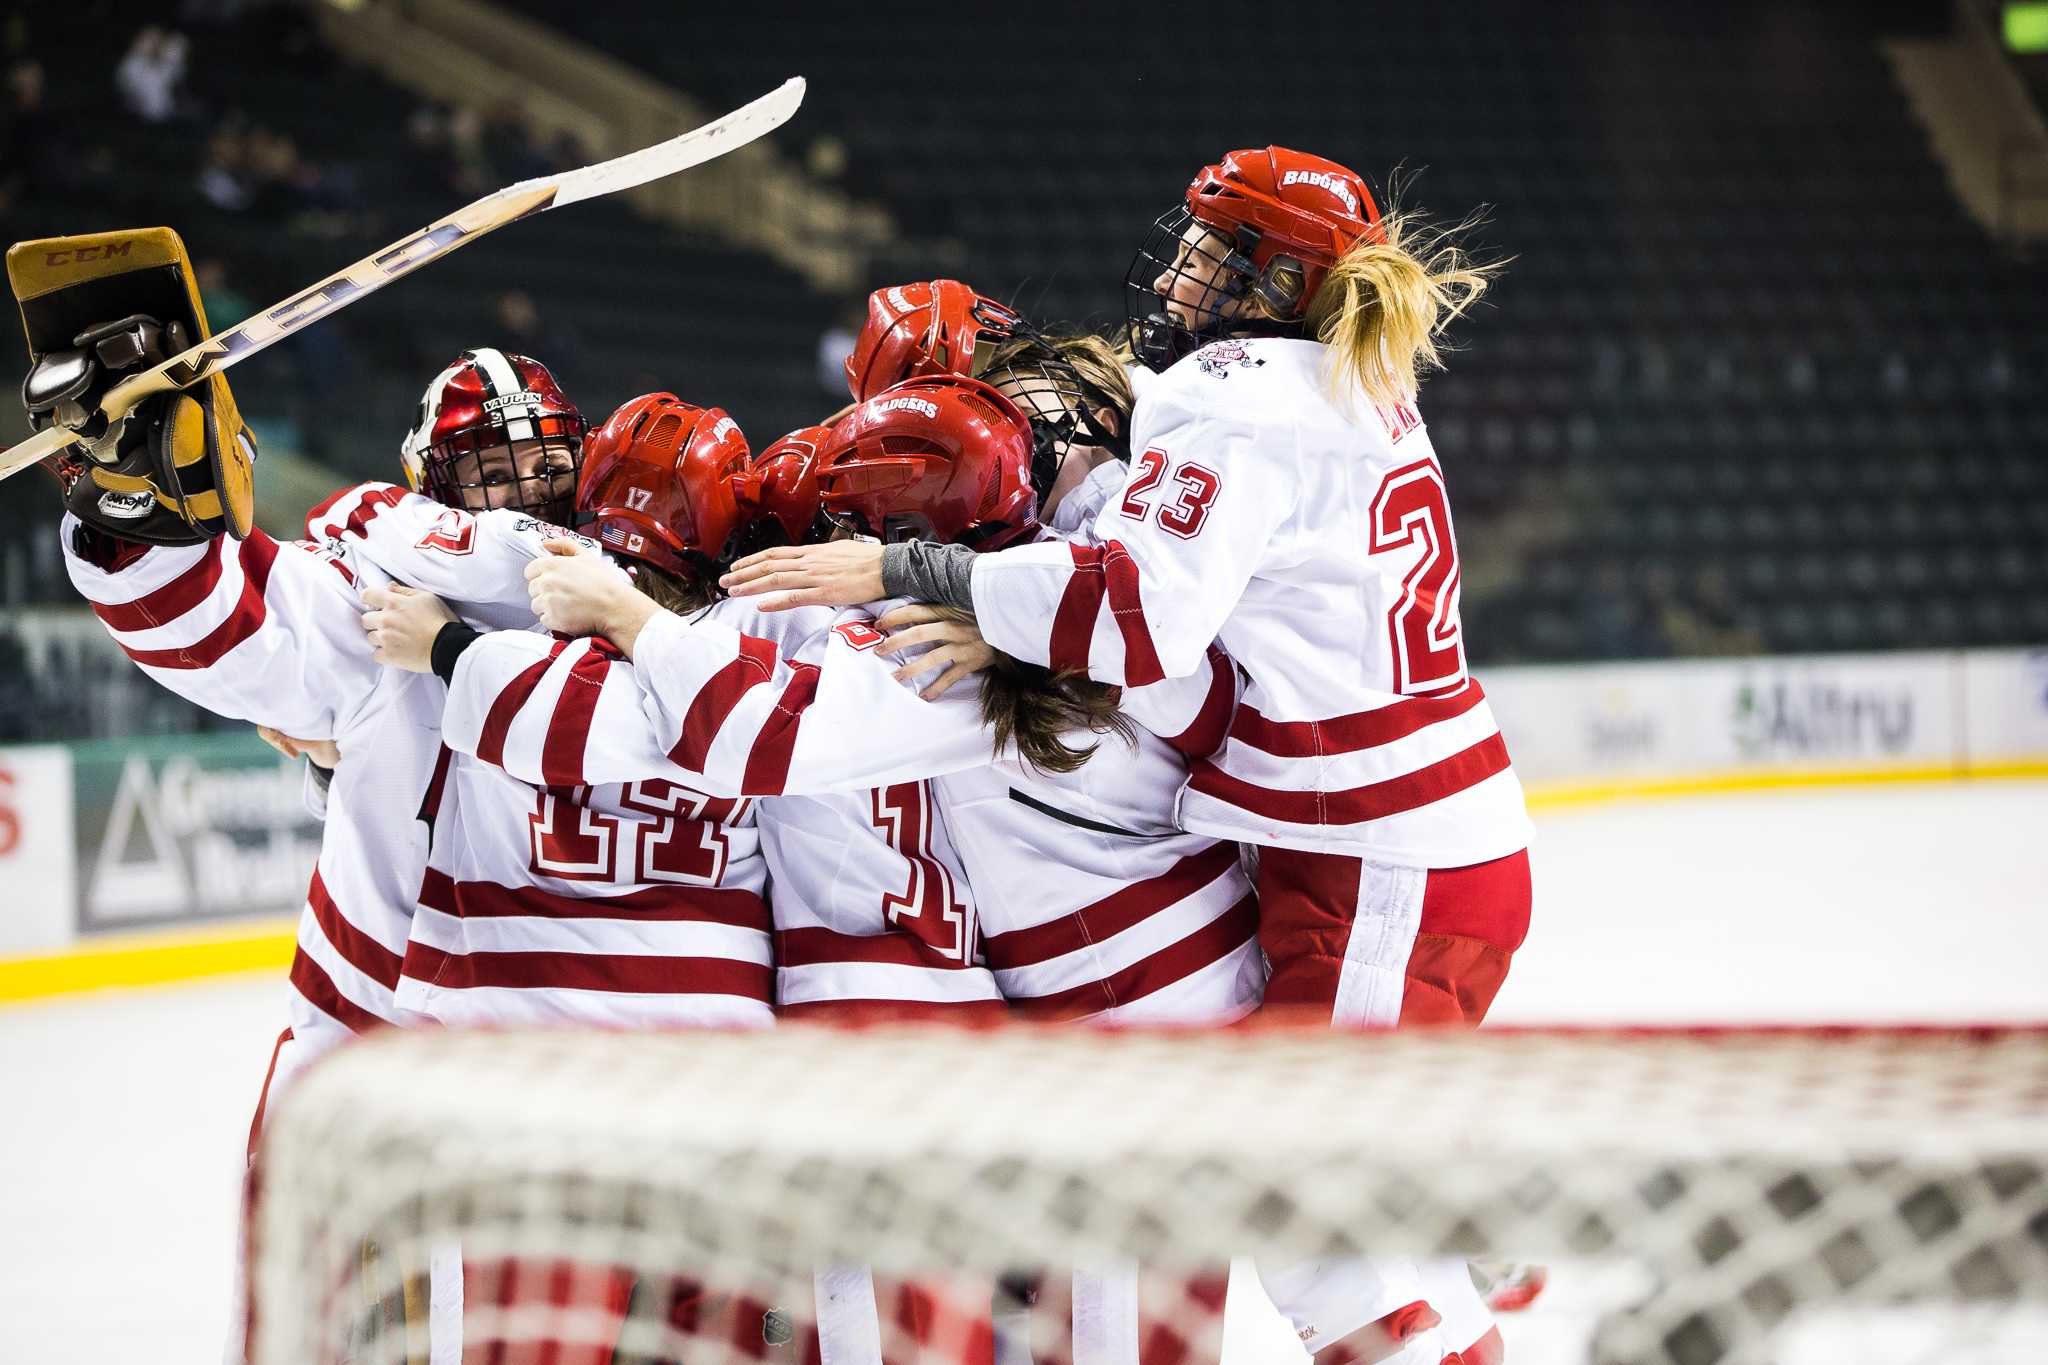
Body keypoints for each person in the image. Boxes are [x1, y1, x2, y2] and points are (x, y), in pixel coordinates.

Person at [724, 150, 1534, 1038]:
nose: (1178, 273)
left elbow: (1140, 613)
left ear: (1281, 282)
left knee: (1323, 1145)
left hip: (1383, 860)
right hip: (1388, 837)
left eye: (1208, 255)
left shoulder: (1235, 398)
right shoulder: (1347, 379)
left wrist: (907, 574)